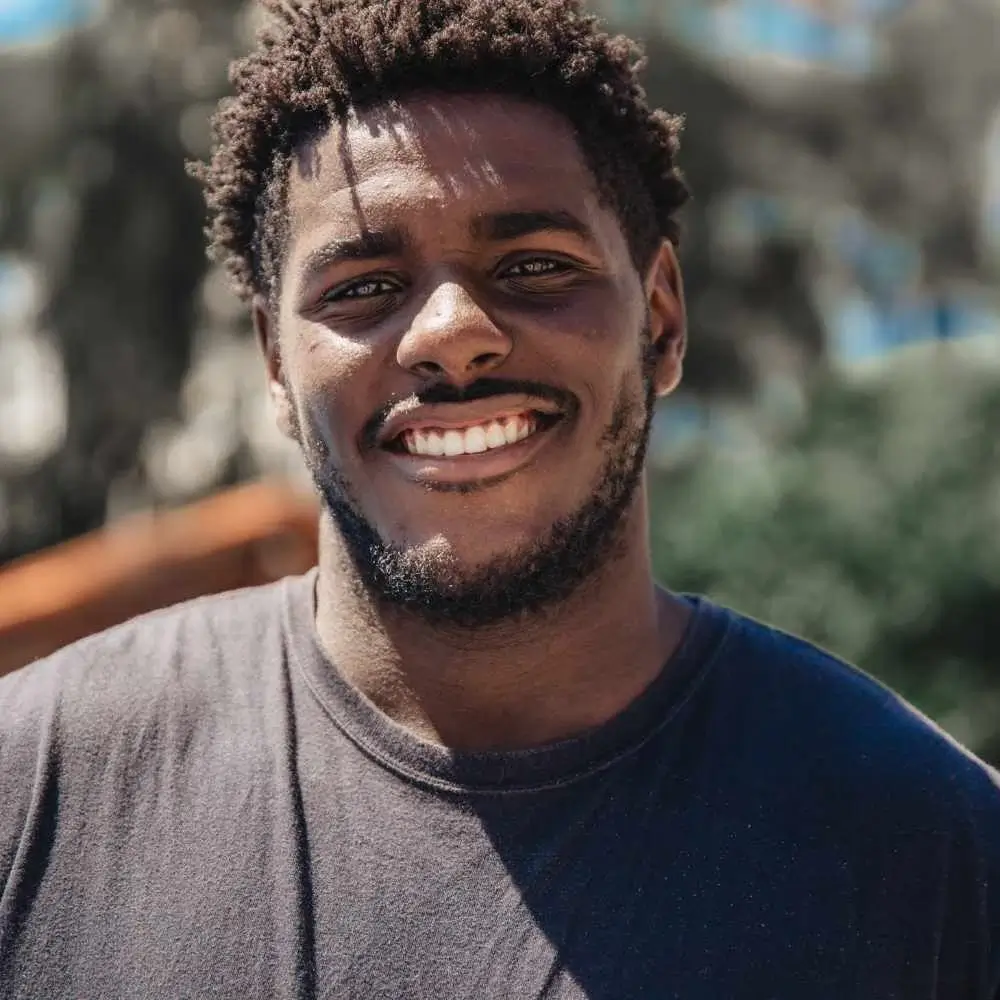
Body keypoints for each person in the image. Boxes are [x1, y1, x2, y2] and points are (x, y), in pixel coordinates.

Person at [1, 0, 998, 996]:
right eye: (360, 286)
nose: (449, 331)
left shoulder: (927, 845)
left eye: (532, 267)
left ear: (657, 320)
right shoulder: (37, 786)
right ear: (273, 361)